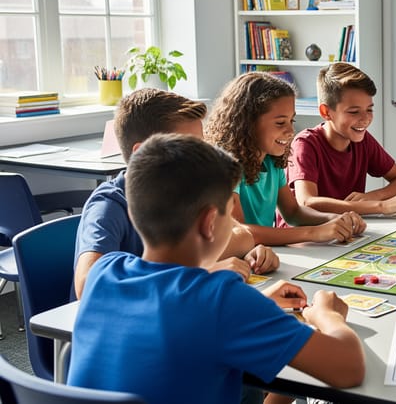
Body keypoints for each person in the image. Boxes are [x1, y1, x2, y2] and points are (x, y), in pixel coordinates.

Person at [67, 134, 364, 404]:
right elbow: (349, 368)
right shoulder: (222, 300)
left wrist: (256, 305)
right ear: (210, 223)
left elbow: (170, 309)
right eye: (229, 213)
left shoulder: (103, 273)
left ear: (133, 211)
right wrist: (329, 315)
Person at [73, 88, 278, 299]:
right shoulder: (109, 205)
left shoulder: (184, 194)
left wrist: (249, 255)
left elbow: (243, 236)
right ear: (142, 154)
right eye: (189, 149)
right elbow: (87, 285)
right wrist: (199, 272)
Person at [206, 72, 367, 246]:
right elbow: (242, 231)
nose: (291, 131)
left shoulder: (270, 160)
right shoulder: (225, 168)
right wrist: (314, 232)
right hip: (242, 258)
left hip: (265, 255)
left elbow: (293, 212)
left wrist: (335, 219)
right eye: (280, 123)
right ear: (247, 123)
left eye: (292, 120)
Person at [283, 62, 396, 217]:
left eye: (369, 109)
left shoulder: (363, 141)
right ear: (326, 112)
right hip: (302, 238)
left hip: (342, 231)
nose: (365, 118)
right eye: (354, 112)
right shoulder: (305, 144)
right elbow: (307, 202)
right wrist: (379, 206)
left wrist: (372, 196)